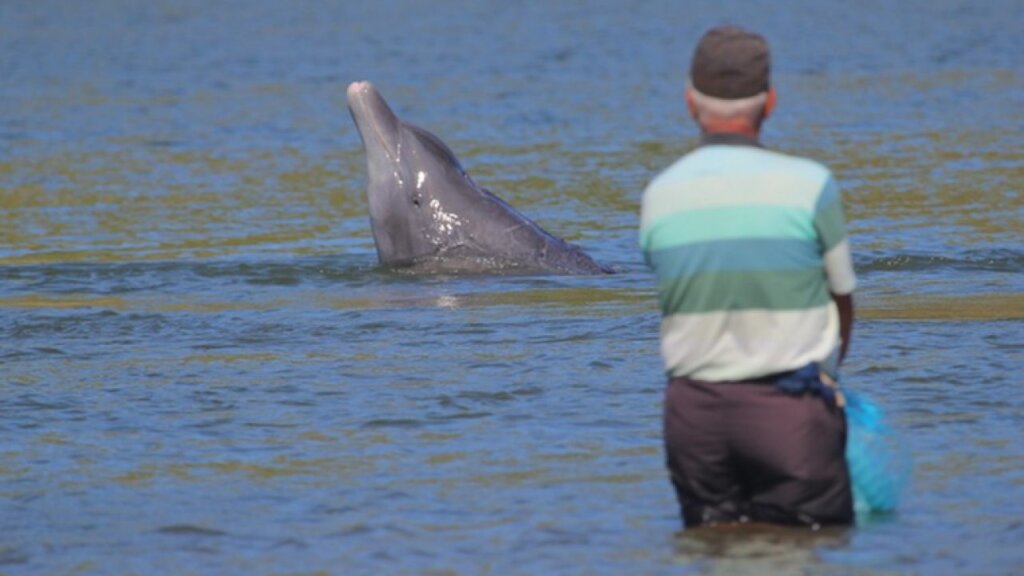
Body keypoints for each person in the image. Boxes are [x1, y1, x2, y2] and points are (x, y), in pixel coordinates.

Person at [639, 25, 858, 528]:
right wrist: (829, 373)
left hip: (693, 418)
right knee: (810, 546)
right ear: (772, 102)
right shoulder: (812, 186)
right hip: (790, 414)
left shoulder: (660, 195)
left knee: (712, 550)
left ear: (691, 103)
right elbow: (843, 298)